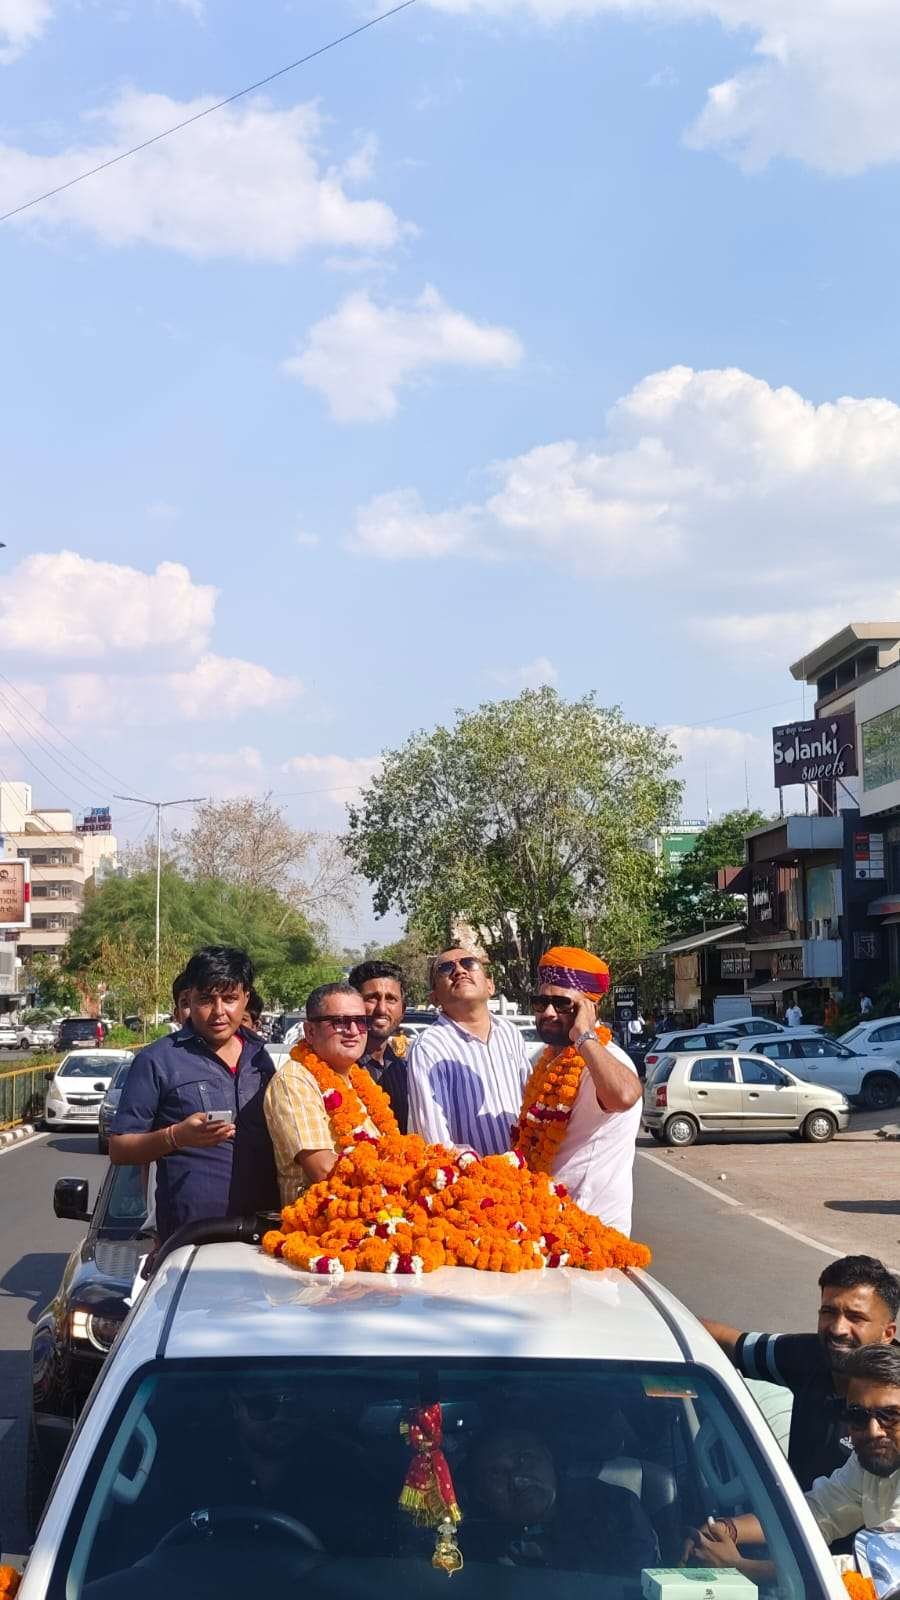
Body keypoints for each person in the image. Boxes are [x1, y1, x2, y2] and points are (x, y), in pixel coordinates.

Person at [109, 946, 279, 1242]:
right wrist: (176, 1136)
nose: (219, 1011)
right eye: (206, 1000)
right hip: (190, 1239)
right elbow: (120, 1149)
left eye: (229, 999)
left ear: (246, 999)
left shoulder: (261, 1057)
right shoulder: (157, 1060)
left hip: (264, 1235)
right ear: (188, 999)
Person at [687, 1345, 900, 1578]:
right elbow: (816, 1513)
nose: (873, 1431)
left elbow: (881, 1570)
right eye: (858, 1416)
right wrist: (725, 1529)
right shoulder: (867, 1463)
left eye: (890, 1415)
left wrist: (742, 1567)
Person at [702, 1255, 900, 1489]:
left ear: (887, 1333)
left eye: (856, 1317)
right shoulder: (806, 1354)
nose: (838, 1329)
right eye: (828, 1312)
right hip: (803, 1509)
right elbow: (730, 1342)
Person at [524, 947, 643, 1236]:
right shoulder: (545, 1059)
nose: (548, 1012)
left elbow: (625, 1095)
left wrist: (583, 1035)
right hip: (545, 1223)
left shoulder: (606, 1059)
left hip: (591, 1230)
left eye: (562, 1004)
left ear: (590, 1009)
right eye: (541, 1002)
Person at [464, 1427, 658, 1572]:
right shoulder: (469, 1542)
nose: (517, 1480)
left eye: (524, 1460)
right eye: (496, 1474)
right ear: (481, 1493)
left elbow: (639, 1583)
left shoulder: (615, 1507)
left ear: (548, 1456)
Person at [406, 947, 532, 1157]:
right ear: (434, 997)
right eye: (446, 968)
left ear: (490, 985)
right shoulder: (429, 1047)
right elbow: (435, 1141)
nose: (459, 971)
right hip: (470, 1175)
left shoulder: (509, 1033)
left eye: (468, 963)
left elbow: (530, 1102)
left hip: (526, 1168)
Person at [265, 981, 381, 1205]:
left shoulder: (359, 1078)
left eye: (360, 1021)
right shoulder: (294, 1080)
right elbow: (323, 1169)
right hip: (328, 1218)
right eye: (340, 1022)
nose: (353, 1031)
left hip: (373, 1207)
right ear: (310, 1031)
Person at [348, 958, 409, 1133]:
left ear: (403, 1010)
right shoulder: (338, 1068)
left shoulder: (404, 1070)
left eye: (391, 999)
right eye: (372, 998)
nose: (381, 1009)